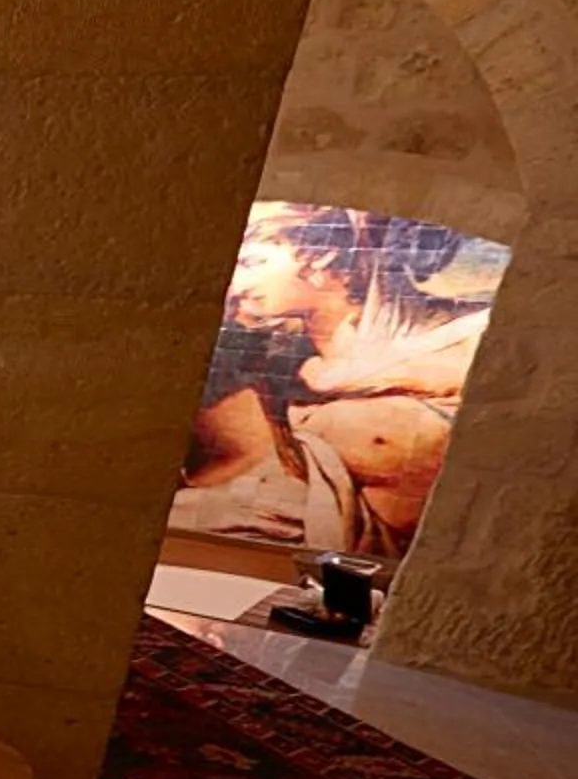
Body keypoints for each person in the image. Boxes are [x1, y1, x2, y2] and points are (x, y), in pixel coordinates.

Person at [172, 203, 498, 559]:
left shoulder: (450, 344)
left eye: (252, 263)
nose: (236, 287)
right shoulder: (292, 368)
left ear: (322, 256)